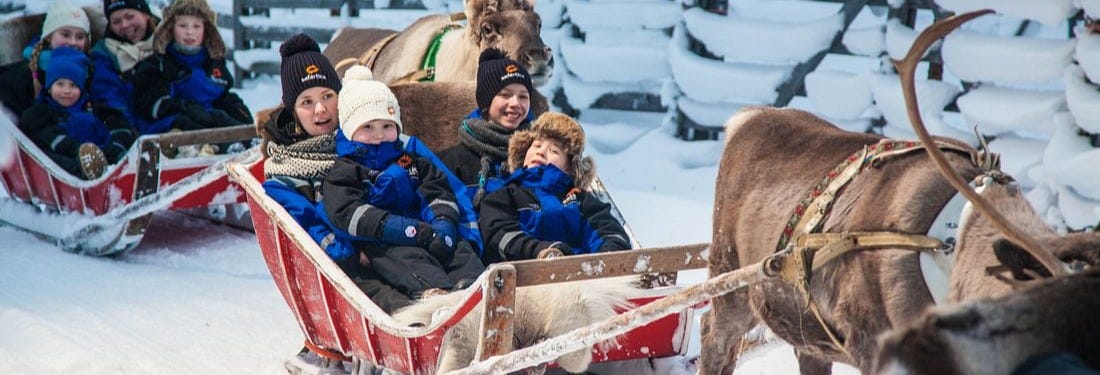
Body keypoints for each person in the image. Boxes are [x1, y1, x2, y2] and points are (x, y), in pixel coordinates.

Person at [259, 34, 413, 315]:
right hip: (342, 268)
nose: (320, 109)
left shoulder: (366, 137)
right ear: (292, 110)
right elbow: (307, 226)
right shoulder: (286, 170)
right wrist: (357, 251)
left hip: (394, 246)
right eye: (306, 101)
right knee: (388, 295)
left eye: (328, 96)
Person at [322, 65, 484, 300]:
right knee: (403, 258)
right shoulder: (346, 171)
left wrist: (442, 222)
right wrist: (401, 229)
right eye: (368, 127)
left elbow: (435, 190)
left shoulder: (409, 159)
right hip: (384, 239)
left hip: (427, 230)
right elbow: (347, 211)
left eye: (387, 126)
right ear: (348, 130)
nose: (379, 134)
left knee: (458, 248)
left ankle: (477, 289)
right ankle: (438, 294)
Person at [478, 112, 630, 264]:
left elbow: (609, 232)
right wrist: (540, 251)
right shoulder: (506, 194)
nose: (541, 151)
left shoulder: (579, 200)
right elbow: (499, 234)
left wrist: (605, 259)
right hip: (521, 275)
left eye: (554, 151)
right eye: (536, 145)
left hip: (580, 276)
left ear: (570, 167)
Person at [130, 0, 252, 139]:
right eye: (183, 26)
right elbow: (151, 105)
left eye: (196, 26)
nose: (189, 32)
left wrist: (238, 110)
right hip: (171, 128)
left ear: (206, 29)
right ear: (171, 28)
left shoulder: (213, 64)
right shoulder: (159, 64)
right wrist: (185, 107)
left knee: (227, 120)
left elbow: (223, 95)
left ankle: (245, 145)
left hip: (211, 123)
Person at [437, 47, 535, 209]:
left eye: (523, 96)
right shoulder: (451, 161)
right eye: (505, 95)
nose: (516, 103)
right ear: (486, 102)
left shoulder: (539, 155)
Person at [18, 47, 135, 180]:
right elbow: (46, 135)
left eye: (73, 85)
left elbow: (116, 121)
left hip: (100, 152)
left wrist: (116, 144)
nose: (67, 91)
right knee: (52, 158)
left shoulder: (91, 107)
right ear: (49, 88)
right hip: (69, 158)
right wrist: (79, 151)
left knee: (118, 145)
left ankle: (129, 163)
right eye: (60, 84)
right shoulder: (43, 112)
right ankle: (87, 172)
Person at [90, 0, 171, 134]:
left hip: (171, 121)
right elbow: (109, 97)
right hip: (132, 131)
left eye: (130, 16)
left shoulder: (168, 44)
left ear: (146, 14)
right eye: (116, 22)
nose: (125, 25)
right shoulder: (104, 55)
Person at [0, 0, 91, 116]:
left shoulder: (92, 70)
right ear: (48, 36)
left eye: (80, 37)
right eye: (65, 34)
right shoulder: (21, 76)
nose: (73, 42)